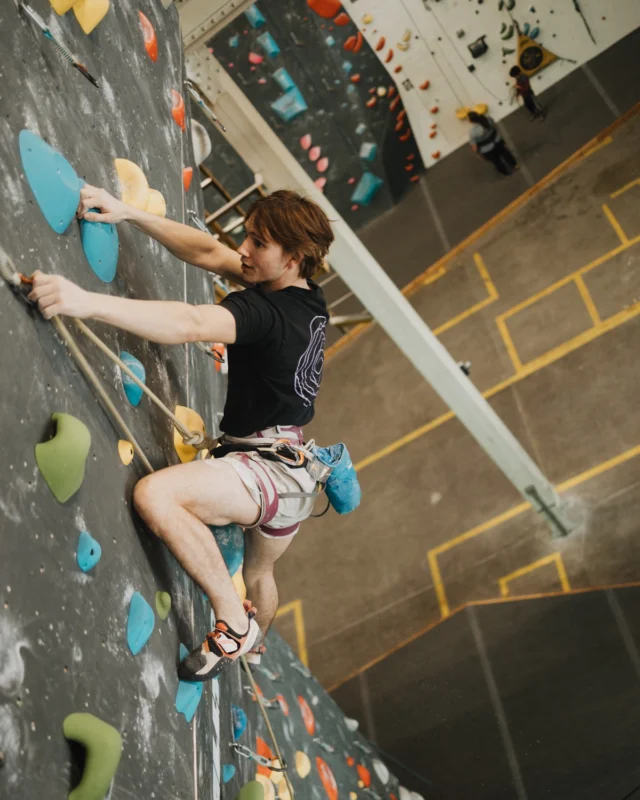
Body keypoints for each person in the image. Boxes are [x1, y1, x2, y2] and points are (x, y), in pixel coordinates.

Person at [28, 186, 334, 682]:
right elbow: (210, 252)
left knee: (156, 497)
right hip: (295, 468)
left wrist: (83, 300)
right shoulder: (306, 297)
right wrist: (128, 213)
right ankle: (256, 649)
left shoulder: (264, 314)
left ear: (293, 257)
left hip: (266, 472)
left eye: (258, 244)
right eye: (249, 236)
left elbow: (191, 322)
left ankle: (235, 624)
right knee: (260, 572)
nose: (244, 250)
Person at [467, 111, 519, 176]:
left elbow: (474, 147)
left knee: (496, 161)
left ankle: (506, 173)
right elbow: (494, 127)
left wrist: (479, 155)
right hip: (497, 142)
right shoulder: (488, 119)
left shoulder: (473, 132)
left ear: (470, 121)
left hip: (487, 150)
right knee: (505, 153)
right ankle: (514, 165)